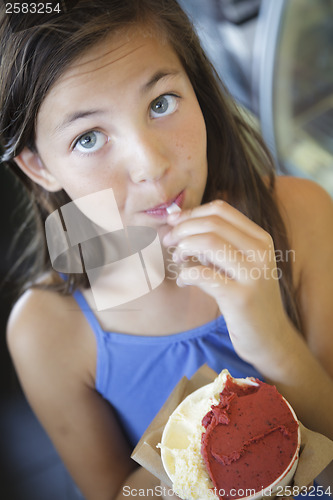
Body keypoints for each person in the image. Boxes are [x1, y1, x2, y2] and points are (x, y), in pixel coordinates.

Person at [1, 1, 332, 499]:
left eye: (161, 103)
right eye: (89, 138)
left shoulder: (300, 216)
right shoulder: (47, 332)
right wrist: (198, 430)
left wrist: (272, 343)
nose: (150, 166)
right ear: (39, 166)